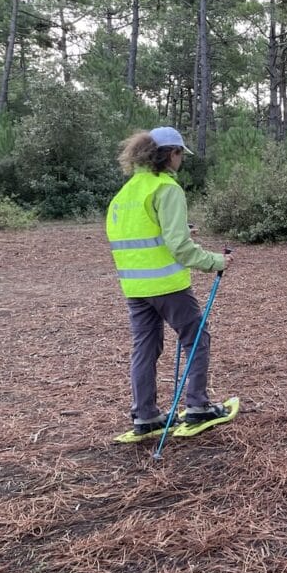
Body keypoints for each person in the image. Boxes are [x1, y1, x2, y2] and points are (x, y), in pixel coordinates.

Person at [106, 126, 233, 437]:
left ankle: (145, 416)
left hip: (135, 288)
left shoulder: (127, 193)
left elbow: (141, 237)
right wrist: (216, 261)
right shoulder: (167, 189)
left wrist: (180, 234)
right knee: (197, 339)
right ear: (169, 154)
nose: (181, 160)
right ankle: (197, 407)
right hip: (169, 286)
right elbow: (179, 247)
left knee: (145, 348)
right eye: (179, 154)